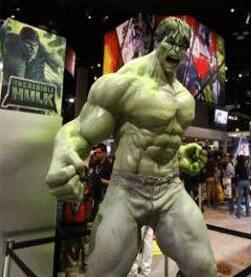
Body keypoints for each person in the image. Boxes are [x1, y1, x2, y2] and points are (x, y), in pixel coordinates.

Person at [45, 17, 216, 276]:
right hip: (127, 190)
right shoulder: (125, 84)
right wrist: (62, 154)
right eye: (171, 42)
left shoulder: (184, 99)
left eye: (183, 46)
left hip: (169, 190)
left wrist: (178, 154)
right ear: (157, 41)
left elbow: (157, 141)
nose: (177, 51)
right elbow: (78, 131)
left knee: (204, 268)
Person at [87, 143, 113, 219]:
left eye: (99, 152)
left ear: (104, 153)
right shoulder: (95, 164)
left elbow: (113, 183)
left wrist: (100, 180)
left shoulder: (109, 166)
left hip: (103, 197)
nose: (97, 154)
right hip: (94, 197)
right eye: (96, 152)